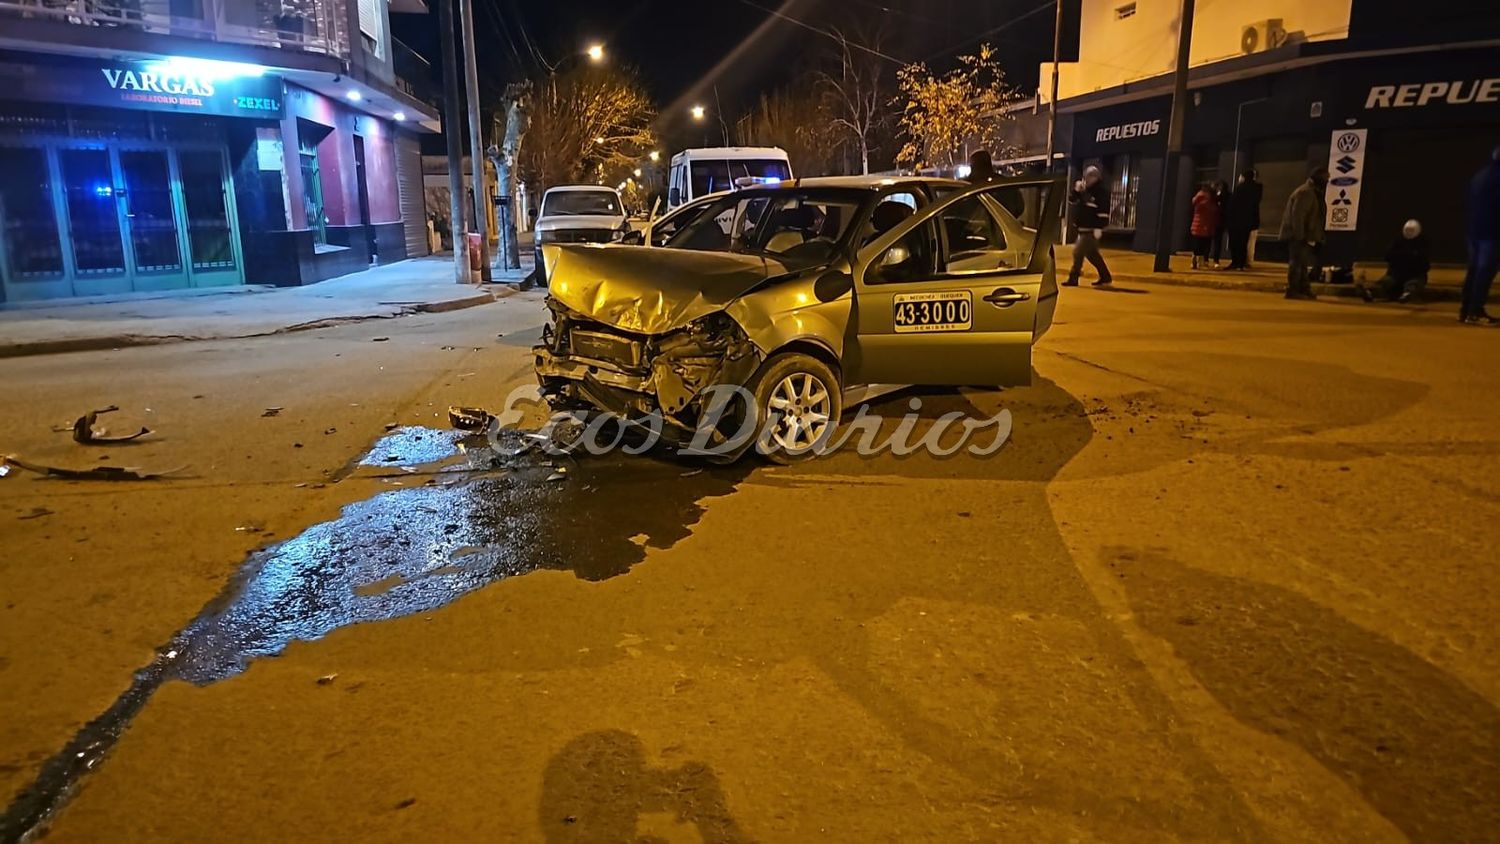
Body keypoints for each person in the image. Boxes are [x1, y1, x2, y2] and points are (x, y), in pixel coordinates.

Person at [1460, 146, 1500, 325]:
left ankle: (1465, 310)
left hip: (1475, 231)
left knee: (1474, 270)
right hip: (1491, 233)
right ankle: (1475, 312)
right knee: (1484, 271)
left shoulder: (1480, 175)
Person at [1280, 166, 1328, 300]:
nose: (1327, 181)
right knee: (1297, 263)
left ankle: (1303, 288)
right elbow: (1298, 216)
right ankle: (1293, 290)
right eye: (1326, 178)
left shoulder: (1313, 192)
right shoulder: (1305, 192)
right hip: (1300, 235)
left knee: (1302, 263)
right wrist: (1300, 235)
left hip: (1307, 235)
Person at [1064, 165, 1112, 287]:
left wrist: (1099, 227)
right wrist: (1076, 190)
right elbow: (1072, 200)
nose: (1086, 179)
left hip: (1091, 230)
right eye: (1085, 177)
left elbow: (1103, 211)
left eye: (1089, 177)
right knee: (1092, 255)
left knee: (1077, 253)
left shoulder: (1100, 192)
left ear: (1095, 177)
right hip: (1082, 228)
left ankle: (1073, 278)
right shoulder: (1085, 190)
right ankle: (1105, 277)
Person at [1359, 220, 1429, 303]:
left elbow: (1425, 265)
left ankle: (1407, 294)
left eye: (1412, 230)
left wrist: (1403, 258)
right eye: (1407, 230)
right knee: (1386, 282)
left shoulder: (1423, 243)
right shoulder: (1397, 242)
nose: (1409, 233)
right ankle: (1370, 292)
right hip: (1396, 275)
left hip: (1414, 276)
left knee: (1413, 284)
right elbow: (1388, 256)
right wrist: (1409, 256)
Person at [1226, 168, 1262, 270]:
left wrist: (1228, 218)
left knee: (1235, 243)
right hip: (1248, 222)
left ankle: (1235, 262)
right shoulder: (1256, 189)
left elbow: (1233, 205)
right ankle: (1241, 264)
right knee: (1243, 243)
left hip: (1236, 221)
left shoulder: (1241, 188)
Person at [1190, 183, 1220, 270]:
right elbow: (1212, 210)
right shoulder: (1207, 199)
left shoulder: (1199, 197)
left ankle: (1195, 261)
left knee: (1198, 244)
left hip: (1199, 224)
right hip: (1204, 224)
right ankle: (1199, 262)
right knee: (1202, 244)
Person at [1210, 180, 1231, 267]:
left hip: (1216, 221)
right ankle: (1216, 260)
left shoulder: (1217, 196)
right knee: (1218, 241)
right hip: (1224, 221)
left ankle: (1209, 259)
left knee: (1211, 240)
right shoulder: (1230, 196)